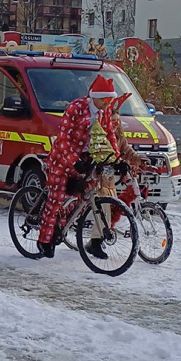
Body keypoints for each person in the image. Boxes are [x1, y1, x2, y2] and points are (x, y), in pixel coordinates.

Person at [36, 75, 130, 258]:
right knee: (56, 200)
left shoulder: (104, 112)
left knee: (82, 196)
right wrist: (73, 161)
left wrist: (117, 159)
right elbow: (63, 138)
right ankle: (44, 239)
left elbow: (109, 135)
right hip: (62, 159)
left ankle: (64, 226)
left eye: (110, 100)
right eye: (105, 99)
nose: (107, 103)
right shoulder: (76, 108)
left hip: (86, 159)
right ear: (95, 96)